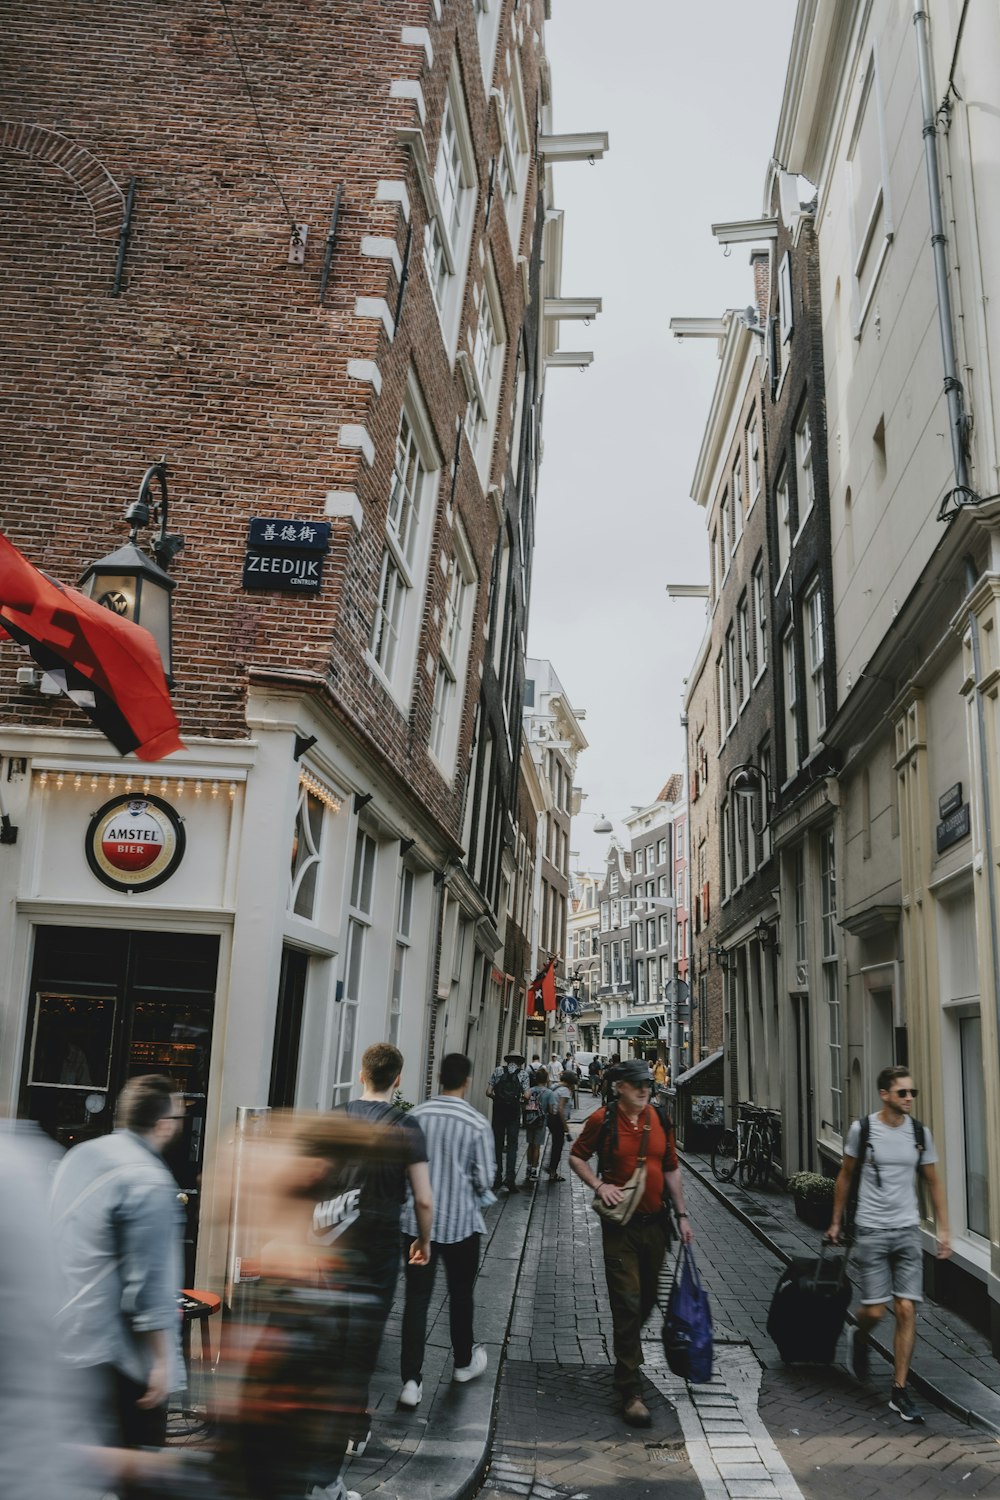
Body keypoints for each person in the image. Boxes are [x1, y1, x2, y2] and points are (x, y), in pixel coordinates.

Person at [51, 1074, 186, 1454]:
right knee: (136, 1474)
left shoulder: (79, 1156)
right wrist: (162, 1363)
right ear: (163, 1124)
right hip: (118, 1358)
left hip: (64, 1338)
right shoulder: (150, 1181)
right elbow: (148, 1285)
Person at [319, 1043, 432, 1459]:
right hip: (380, 1245)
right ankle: (353, 1428)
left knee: (335, 1329)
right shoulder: (407, 1127)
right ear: (397, 1079)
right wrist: (423, 1240)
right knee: (364, 1337)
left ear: (361, 1073)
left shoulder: (336, 1116)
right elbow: (423, 1198)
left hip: (333, 1240)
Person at [570, 1059, 693, 1428]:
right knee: (627, 1302)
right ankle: (631, 1389)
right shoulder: (603, 1121)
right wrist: (599, 1185)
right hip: (621, 1227)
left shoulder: (660, 1119)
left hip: (656, 1224)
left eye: (648, 1084)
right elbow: (577, 1156)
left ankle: (626, 1353)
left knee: (649, 1298)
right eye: (638, 1084)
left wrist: (683, 1215)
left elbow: (670, 1166)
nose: (645, 1089)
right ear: (619, 1086)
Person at [827, 1065, 950, 1424]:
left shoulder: (919, 1133)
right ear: (885, 1095)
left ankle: (899, 1390)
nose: (909, 1098)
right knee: (876, 1311)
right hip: (872, 1229)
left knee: (908, 1309)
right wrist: (835, 1221)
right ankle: (858, 1334)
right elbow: (846, 1174)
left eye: (912, 1093)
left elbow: (933, 1182)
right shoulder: (863, 1130)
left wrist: (944, 1230)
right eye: (903, 1093)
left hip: (907, 1230)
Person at [398, 1054, 496, 1408]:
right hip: (461, 1224)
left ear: (439, 1077)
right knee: (461, 1294)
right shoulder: (476, 1123)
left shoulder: (416, 1117)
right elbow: (485, 1177)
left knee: (416, 1300)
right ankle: (462, 1363)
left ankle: (411, 1381)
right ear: (466, 1080)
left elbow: (402, 1169)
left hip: (415, 1225)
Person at [486, 1050, 530, 1192]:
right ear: (519, 1062)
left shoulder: (498, 1070)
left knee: (497, 1144)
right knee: (512, 1145)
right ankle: (509, 1179)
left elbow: (488, 1091)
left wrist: (497, 1099)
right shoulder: (523, 1074)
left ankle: (497, 1178)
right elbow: (527, 1096)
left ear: (508, 1060)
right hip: (513, 1112)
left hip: (498, 1111)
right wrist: (519, 1100)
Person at [522, 1066, 549, 1184]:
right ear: (546, 1079)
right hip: (541, 1122)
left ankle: (528, 1167)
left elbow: (524, 1101)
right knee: (537, 1146)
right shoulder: (549, 1093)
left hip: (530, 1120)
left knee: (530, 1144)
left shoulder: (530, 1090)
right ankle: (534, 1171)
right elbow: (552, 1109)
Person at [546, 1070, 574, 1183]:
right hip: (558, 1120)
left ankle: (551, 1168)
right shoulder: (565, 1091)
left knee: (555, 1144)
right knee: (558, 1146)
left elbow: (550, 1104)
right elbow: (561, 1109)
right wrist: (565, 1125)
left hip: (551, 1118)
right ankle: (552, 1171)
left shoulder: (554, 1087)